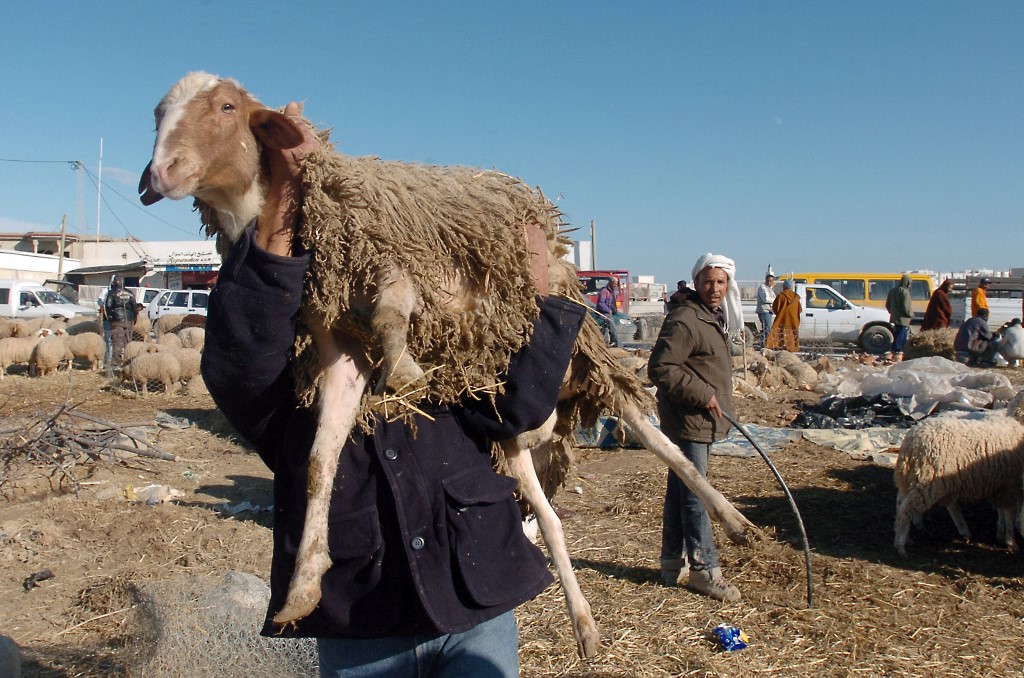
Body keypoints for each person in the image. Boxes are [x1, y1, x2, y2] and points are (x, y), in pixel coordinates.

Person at [199, 102, 586, 677]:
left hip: (475, 602)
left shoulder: (447, 349)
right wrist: (285, 200)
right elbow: (241, 371)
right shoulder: (297, 372)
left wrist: (541, 297)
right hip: (364, 618)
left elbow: (514, 410)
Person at [647, 253, 741, 603]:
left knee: (681, 489)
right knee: (697, 494)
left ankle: (671, 563)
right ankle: (705, 570)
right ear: (696, 282)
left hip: (699, 418)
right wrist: (703, 394)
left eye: (720, 282)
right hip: (690, 420)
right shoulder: (686, 319)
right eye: (708, 281)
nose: (714, 288)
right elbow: (661, 368)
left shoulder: (709, 316)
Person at [103, 277, 137, 371]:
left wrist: (110, 319)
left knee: (117, 342)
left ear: (114, 283)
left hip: (116, 321)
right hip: (129, 320)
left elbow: (108, 307)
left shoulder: (111, 293)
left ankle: (116, 364)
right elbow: (134, 307)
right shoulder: (130, 293)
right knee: (128, 342)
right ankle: (128, 362)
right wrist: (134, 318)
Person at [765, 279, 801, 352]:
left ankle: (778, 346)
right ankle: (792, 348)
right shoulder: (796, 297)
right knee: (792, 333)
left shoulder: (781, 296)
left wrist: (780, 313)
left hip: (782, 318)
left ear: (784, 286)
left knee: (779, 332)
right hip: (793, 320)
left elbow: (775, 308)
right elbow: (799, 309)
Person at [885, 274, 913, 361]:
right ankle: (897, 351)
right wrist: (910, 314)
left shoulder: (892, 291)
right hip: (903, 318)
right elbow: (906, 306)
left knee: (897, 333)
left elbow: (887, 305)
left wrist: (892, 312)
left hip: (894, 317)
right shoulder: (905, 292)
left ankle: (898, 351)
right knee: (901, 334)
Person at [595, 277, 622, 347]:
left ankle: (608, 343)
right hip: (603, 314)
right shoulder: (604, 291)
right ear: (610, 283)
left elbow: (612, 303)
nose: (615, 285)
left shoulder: (613, 292)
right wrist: (608, 310)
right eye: (614, 284)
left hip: (610, 314)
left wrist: (614, 311)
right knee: (613, 329)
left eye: (616, 284)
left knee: (606, 330)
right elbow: (601, 303)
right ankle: (617, 345)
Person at [755, 273, 776, 346]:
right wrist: (775, 300)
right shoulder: (762, 288)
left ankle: (765, 343)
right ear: (765, 280)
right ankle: (765, 344)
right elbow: (766, 299)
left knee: (767, 327)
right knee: (767, 327)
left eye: (771, 281)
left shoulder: (770, 289)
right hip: (764, 310)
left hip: (769, 310)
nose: (769, 282)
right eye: (768, 281)